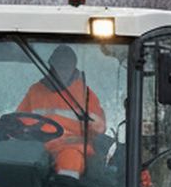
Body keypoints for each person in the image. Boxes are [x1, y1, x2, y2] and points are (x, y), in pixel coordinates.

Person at [16, 44, 106, 179]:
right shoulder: (35, 91)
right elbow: (18, 119)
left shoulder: (85, 94)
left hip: (71, 146)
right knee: (11, 158)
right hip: (37, 147)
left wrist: (92, 122)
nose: (61, 70)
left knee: (70, 161)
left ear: (73, 67)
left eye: (65, 66)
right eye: (58, 66)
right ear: (51, 66)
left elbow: (99, 127)